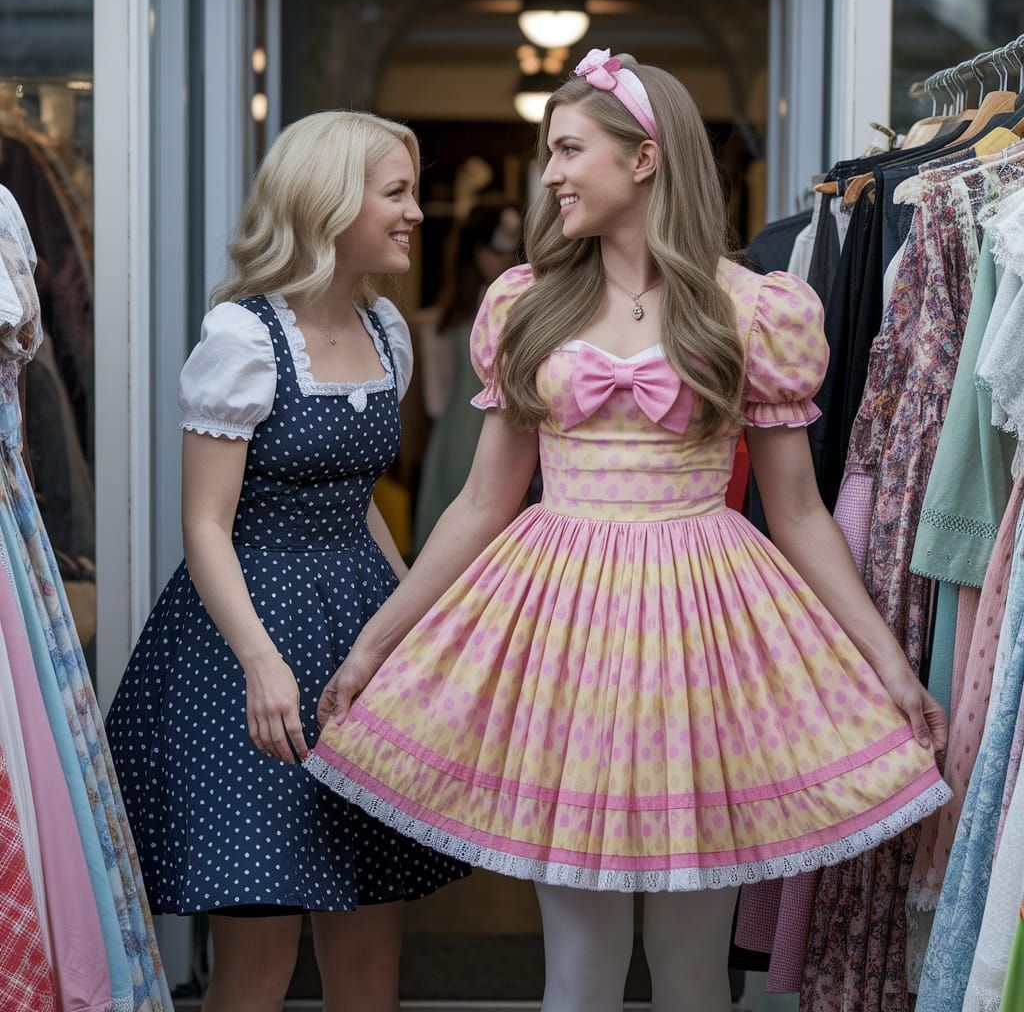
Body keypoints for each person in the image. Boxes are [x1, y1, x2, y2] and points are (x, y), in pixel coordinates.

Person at [305, 51, 951, 1012]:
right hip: (563, 638)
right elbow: (483, 502)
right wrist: (374, 644)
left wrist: (892, 668)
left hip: (706, 638)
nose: (551, 174)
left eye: (569, 150)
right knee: (578, 968)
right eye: (549, 153)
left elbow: (800, 510)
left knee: (694, 974)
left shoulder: (754, 312)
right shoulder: (528, 305)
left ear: (644, 158)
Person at [105, 110, 467, 1012]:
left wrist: (405, 631)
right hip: (242, 646)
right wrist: (260, 662)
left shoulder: (389, 333)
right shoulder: (241, 339)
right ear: (330, 203)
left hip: (355, 638)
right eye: (396, 192)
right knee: (258, 948)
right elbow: (203, 526)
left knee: (370, 939)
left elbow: (365, 511)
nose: (415, 212)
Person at [413, 202, 522, 551]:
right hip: (461, 429)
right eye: (494, 250)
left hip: (480, 424)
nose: (503, 260)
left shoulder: (514, 298)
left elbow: (436, 397)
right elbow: (437, 396)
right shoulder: (453, 314)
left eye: (511, 250)